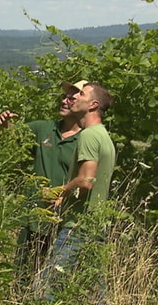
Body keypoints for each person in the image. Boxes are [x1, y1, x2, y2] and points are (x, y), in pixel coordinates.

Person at [0, 82, 84, 284]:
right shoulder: (43, 128)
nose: (64, 101)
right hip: (33, 218)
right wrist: (3, 124)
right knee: (22, 276)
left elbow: (86, 179)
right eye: (64, 96)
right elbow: (12, 137)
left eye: (71, 98)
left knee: (55, 281)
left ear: (85, 105)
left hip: (63, 223)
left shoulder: (85, 139)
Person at [36, 81, 116, 301]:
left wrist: (59, 192)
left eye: (81, 94)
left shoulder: (88, 136)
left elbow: (86, 180)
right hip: (95, 223)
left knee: (45, 287)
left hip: (78, 226)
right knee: (96, 292)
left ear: (93, 104)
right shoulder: (103, 135)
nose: (73, 97)